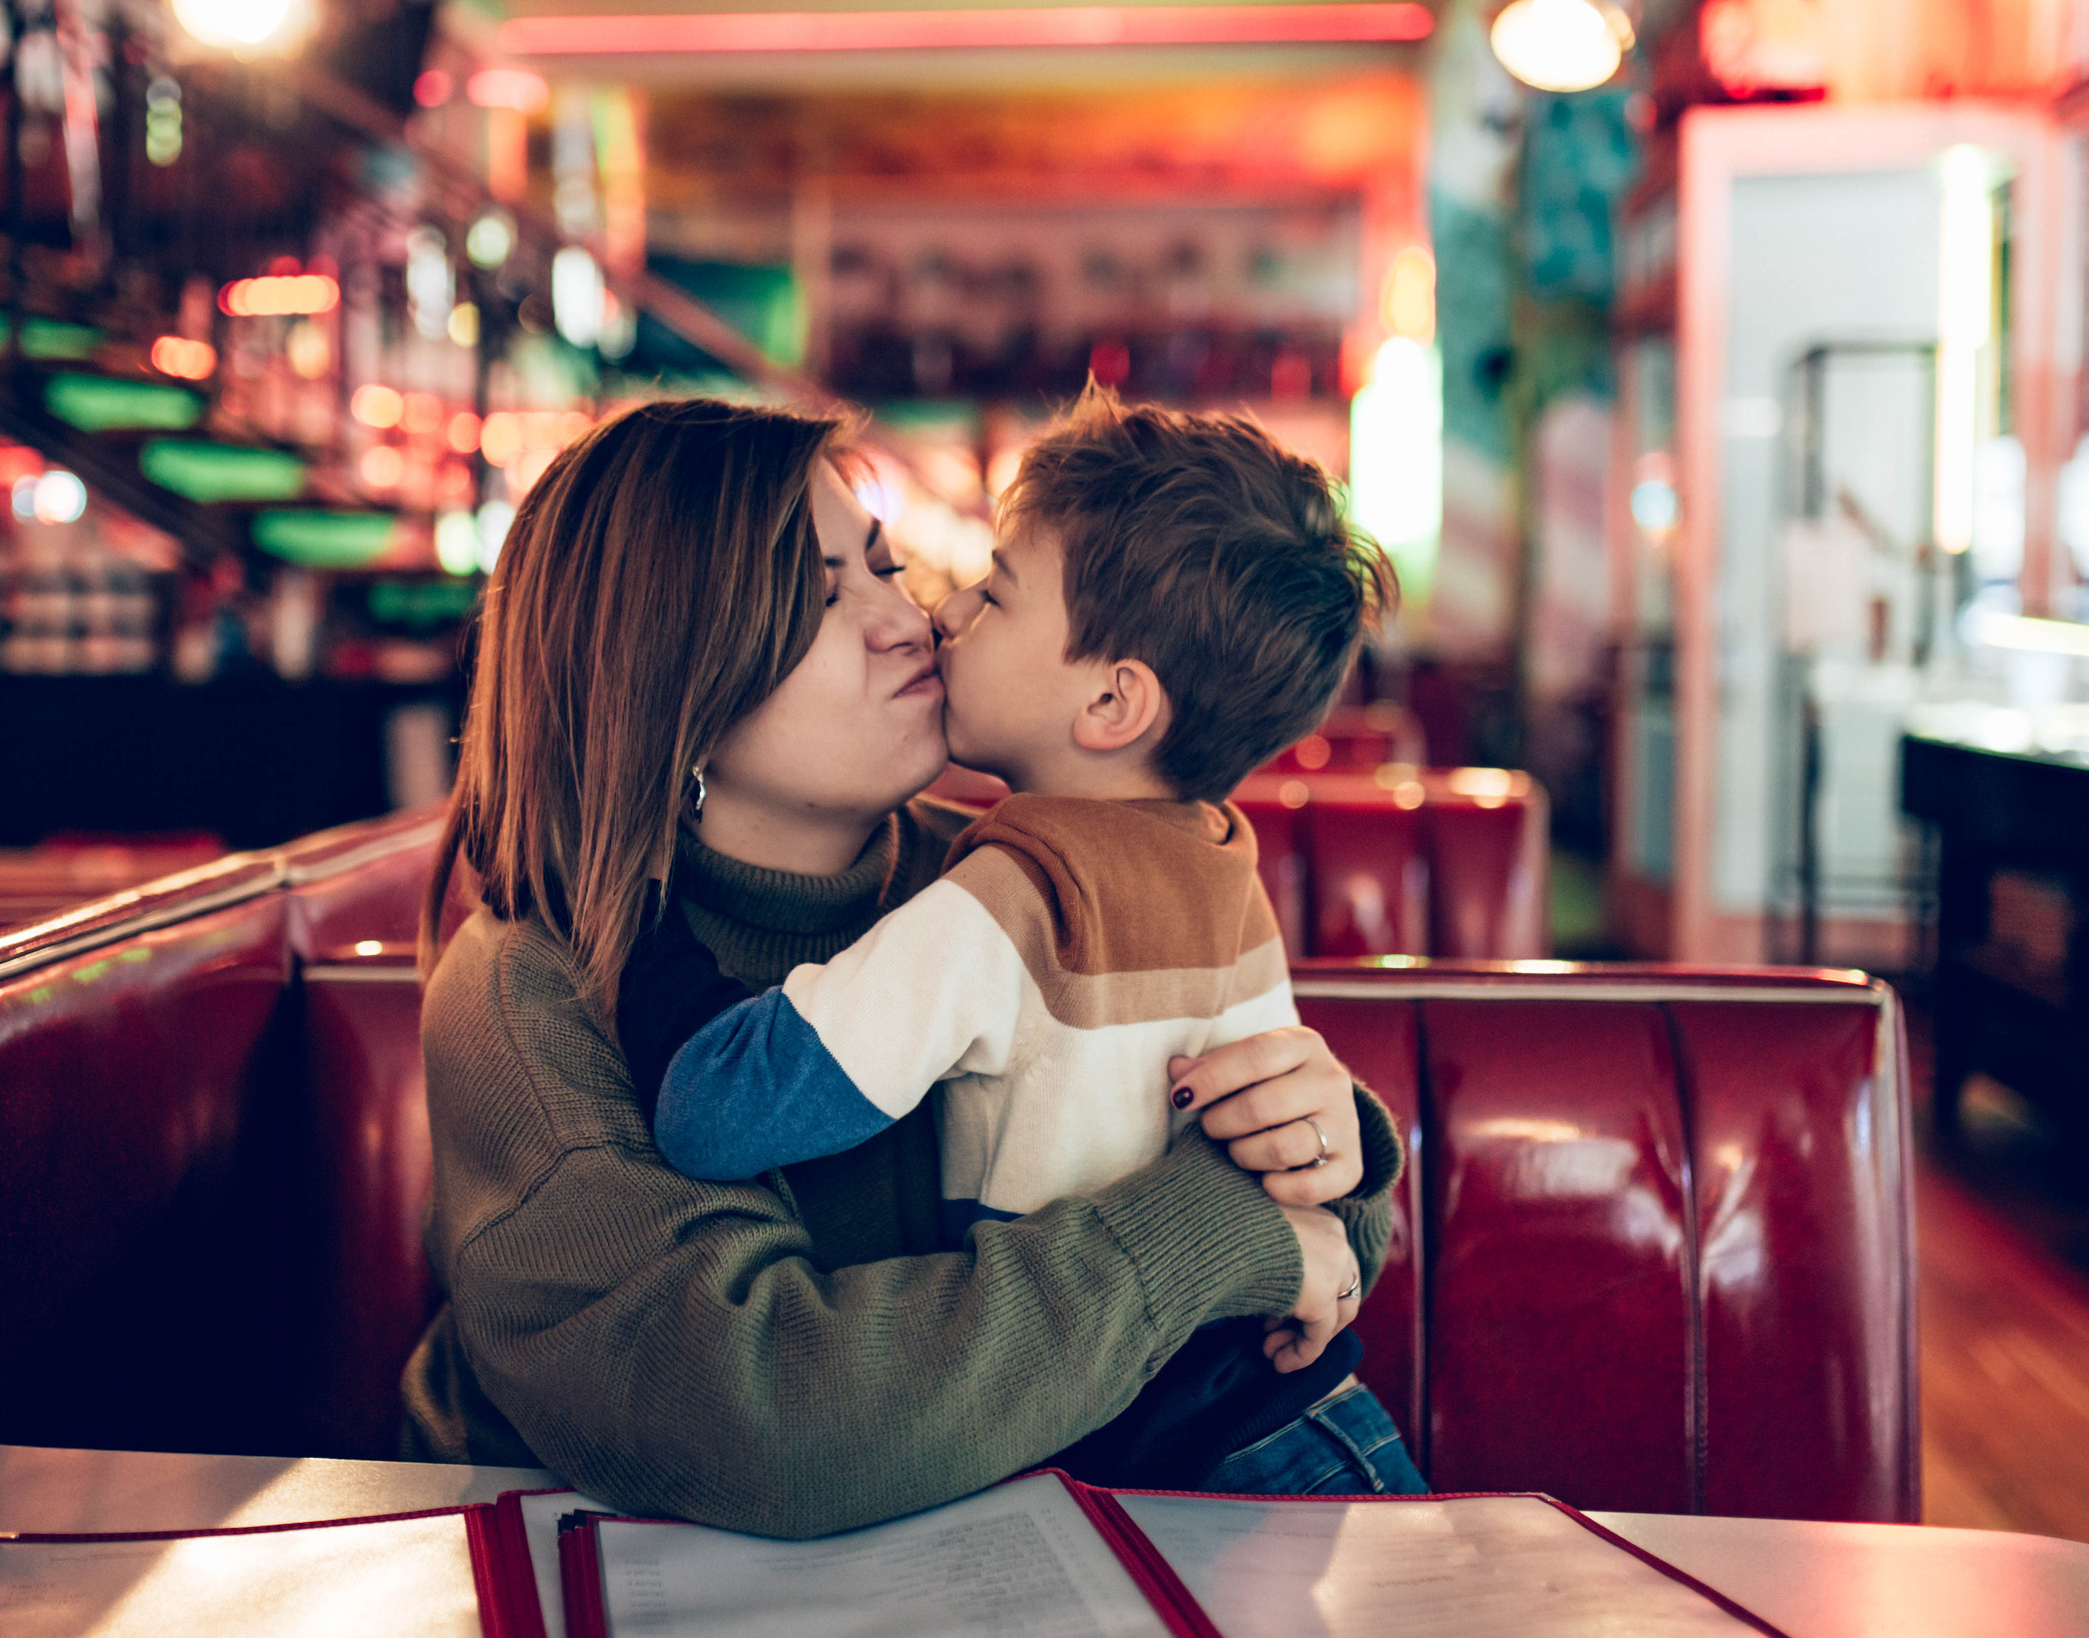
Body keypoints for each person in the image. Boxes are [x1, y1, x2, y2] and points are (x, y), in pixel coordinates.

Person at [402, 397, 1406, 1538]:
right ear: (668, 680)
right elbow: (768, 1425)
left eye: (884, 568)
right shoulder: (536, 993)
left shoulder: (1008, 877)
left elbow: (1324, 1254)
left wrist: (1331, 1146)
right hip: (586, 1567)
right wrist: (1210, 1232)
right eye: (825, 597)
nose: (909, 620)